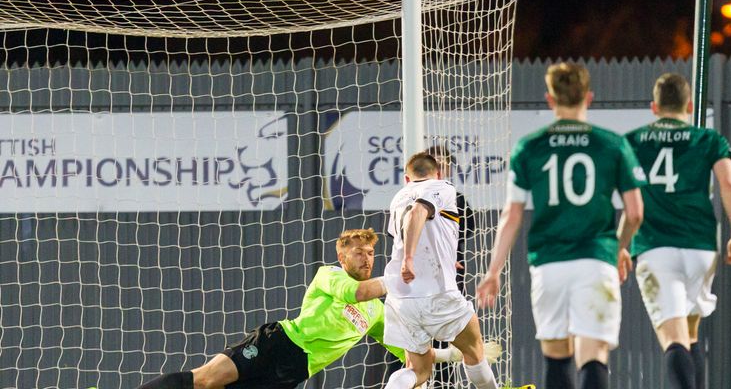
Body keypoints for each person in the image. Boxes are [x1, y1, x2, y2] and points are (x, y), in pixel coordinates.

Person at [477, 62, 646, 389]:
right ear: (589, 97)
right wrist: (620, 248)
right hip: (596, 261)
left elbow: (511, 216)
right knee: (593, 355)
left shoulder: (530, 146)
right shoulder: (611, 144)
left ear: (550, 99)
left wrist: (493, 271)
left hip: (550, 264)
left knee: (557, 357)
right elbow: (636, 212)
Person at [136, 229, 478, 389]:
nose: (366, 257)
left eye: (371, 253)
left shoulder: (378, 311)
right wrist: (408, 275)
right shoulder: (330, 276)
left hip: (295, 373)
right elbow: (358, 292)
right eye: (358, 252)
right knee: (207, 379)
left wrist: (459, 353)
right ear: (342, 257)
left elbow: (409, 351)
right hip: (279, 343)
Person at [624, 73, 731, 389]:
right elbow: (729, 184)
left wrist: (619, 246)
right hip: (701, 247)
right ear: (689, 105)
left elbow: (631, 204)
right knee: (690, 334)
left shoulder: (634, 140)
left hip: (655, 246)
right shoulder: (707, 139)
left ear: (654, 107)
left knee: (673, 338)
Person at [382, 152, 498, 389]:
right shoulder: (443, 187)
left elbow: (416, 234)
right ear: (439, 173)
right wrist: (410, 260)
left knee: (417, 371)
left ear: (406, 178)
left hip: (401, 299)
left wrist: (440, 258)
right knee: (475, 352)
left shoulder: (397, 199)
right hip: (436, 293)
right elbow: (417, 213)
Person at [425, 144, 476, 389]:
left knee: (448, 338)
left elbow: (467, 231)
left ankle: (445, 385)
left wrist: (447, 257)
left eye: (444, 166)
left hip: (449, 280)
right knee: (416, 341)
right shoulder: (410, 199)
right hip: (418, 280)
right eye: (435, 165)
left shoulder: (456, 199)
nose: (440, 170)